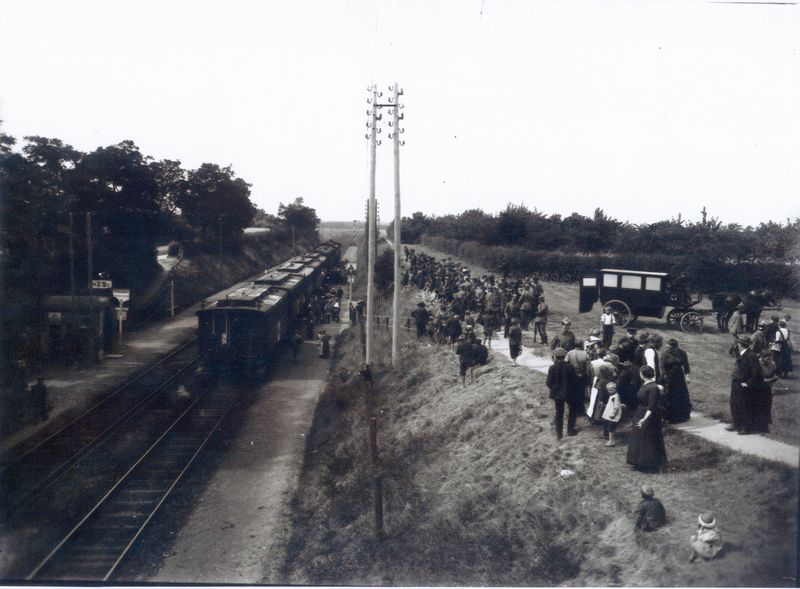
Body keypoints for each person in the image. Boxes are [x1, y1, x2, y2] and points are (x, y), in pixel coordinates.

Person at [626, 365, 667, 473]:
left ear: (642, 374)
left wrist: (644, 419)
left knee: (648, 439)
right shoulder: (645, 384)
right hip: (640, 413)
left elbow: (652, 406)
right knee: (638, 437)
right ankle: (638, 462)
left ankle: (650, 464)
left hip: (649, 416)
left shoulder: (653, 387)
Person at [726, 335, 761, 435]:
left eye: (738, 343)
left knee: (744, 405)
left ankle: (745, 427)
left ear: (740, 345)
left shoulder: (750, 355)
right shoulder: (741, 353)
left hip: (743, 383)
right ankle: (735, 424)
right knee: (734, 403)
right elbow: (731, 352)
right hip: (736, 382)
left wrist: (747, 383)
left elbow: (755, 372)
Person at [546, 347, 580, 439]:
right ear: (564, 356)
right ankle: (570, 430)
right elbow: (575, 380)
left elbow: (548, 382)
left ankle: (559, 433)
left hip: (557, 394)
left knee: (559, 412)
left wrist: (554, 389)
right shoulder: (570, 367)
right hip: (569, 393)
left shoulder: (552, 368)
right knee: (572, 410)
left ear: (555, 357)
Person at [661, 339, 693, 424]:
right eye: (667, 347)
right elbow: (662, 367)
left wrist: (687, 377)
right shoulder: (665, 354)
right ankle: (670, 417)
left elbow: (686, 365)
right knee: (670, 396)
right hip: (669, 376)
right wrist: (664, 377)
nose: (667, 349)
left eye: (669, 347)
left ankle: (683, 416)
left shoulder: (682, 353)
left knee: (681, 395)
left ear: (675, 347)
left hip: (679, 377)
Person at [601, 381, 622, 446]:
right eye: (608, 390)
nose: (609, 391)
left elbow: (616, 407)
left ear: (615, 389)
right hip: (610, 414)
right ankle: (612, 439)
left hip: (613, 416)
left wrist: (613, 415)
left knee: (611, 429)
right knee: (610, 428)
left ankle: (611, 441)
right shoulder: (612, 395)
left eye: (611, 390)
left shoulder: (615, 397)